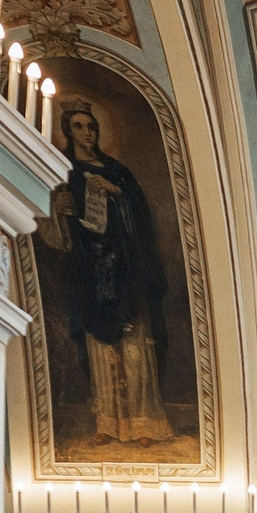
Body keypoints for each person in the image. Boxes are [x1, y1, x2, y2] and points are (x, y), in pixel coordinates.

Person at [37, 96, 172, 445]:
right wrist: (58, 210)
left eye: (92, 126)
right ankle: (109, 423)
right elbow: (47, 225)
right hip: (87, 266)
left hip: (124, 264)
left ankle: (144, 422)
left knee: (134, 341)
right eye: (80, 126)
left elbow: (142, 216)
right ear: (68, 130)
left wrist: (117, 194)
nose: (88, 132)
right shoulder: (63, 173)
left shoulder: (117, 171)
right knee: (98, 345)